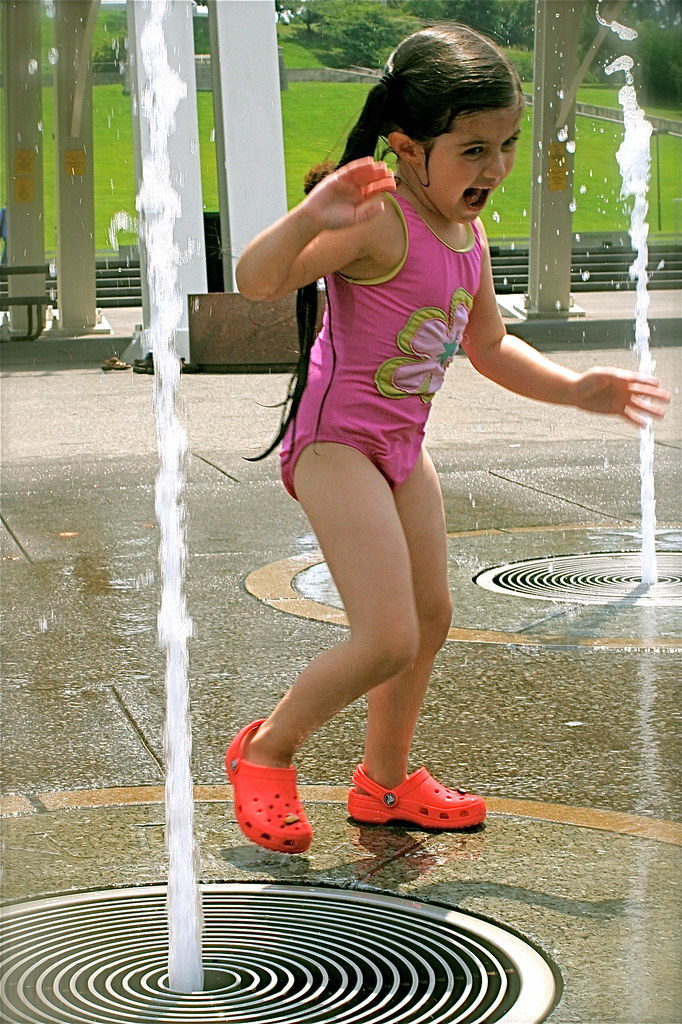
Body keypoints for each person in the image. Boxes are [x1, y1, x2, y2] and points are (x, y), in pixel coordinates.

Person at [227, 25, 670, 855]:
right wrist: (309, 216)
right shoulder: (378, 220)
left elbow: (491, 345)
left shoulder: (464, 237)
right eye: (472, 150)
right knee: (386, 635)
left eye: (504, 146)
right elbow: (256, 282)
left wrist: (581, 390)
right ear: (408, 148)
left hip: (401, 450)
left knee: (430, 621)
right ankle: (266, 750)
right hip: (336, 448)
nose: (495, 168)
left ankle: (384, 782)